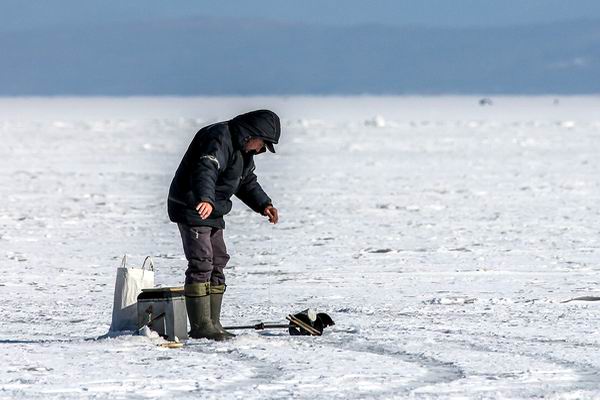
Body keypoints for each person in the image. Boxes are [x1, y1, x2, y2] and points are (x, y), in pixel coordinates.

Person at [167, 110, 280, 341]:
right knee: (201, 262)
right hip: (193, 206)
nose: (261, 150)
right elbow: (206, 169)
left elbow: (246, 181)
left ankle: (213, 324)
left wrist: (263, 204)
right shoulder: (219, 137)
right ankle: (201, 327)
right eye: (263, 144)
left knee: (218, 260)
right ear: (252, 134)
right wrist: (205, 199)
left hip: (213, 209)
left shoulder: (243, 151)